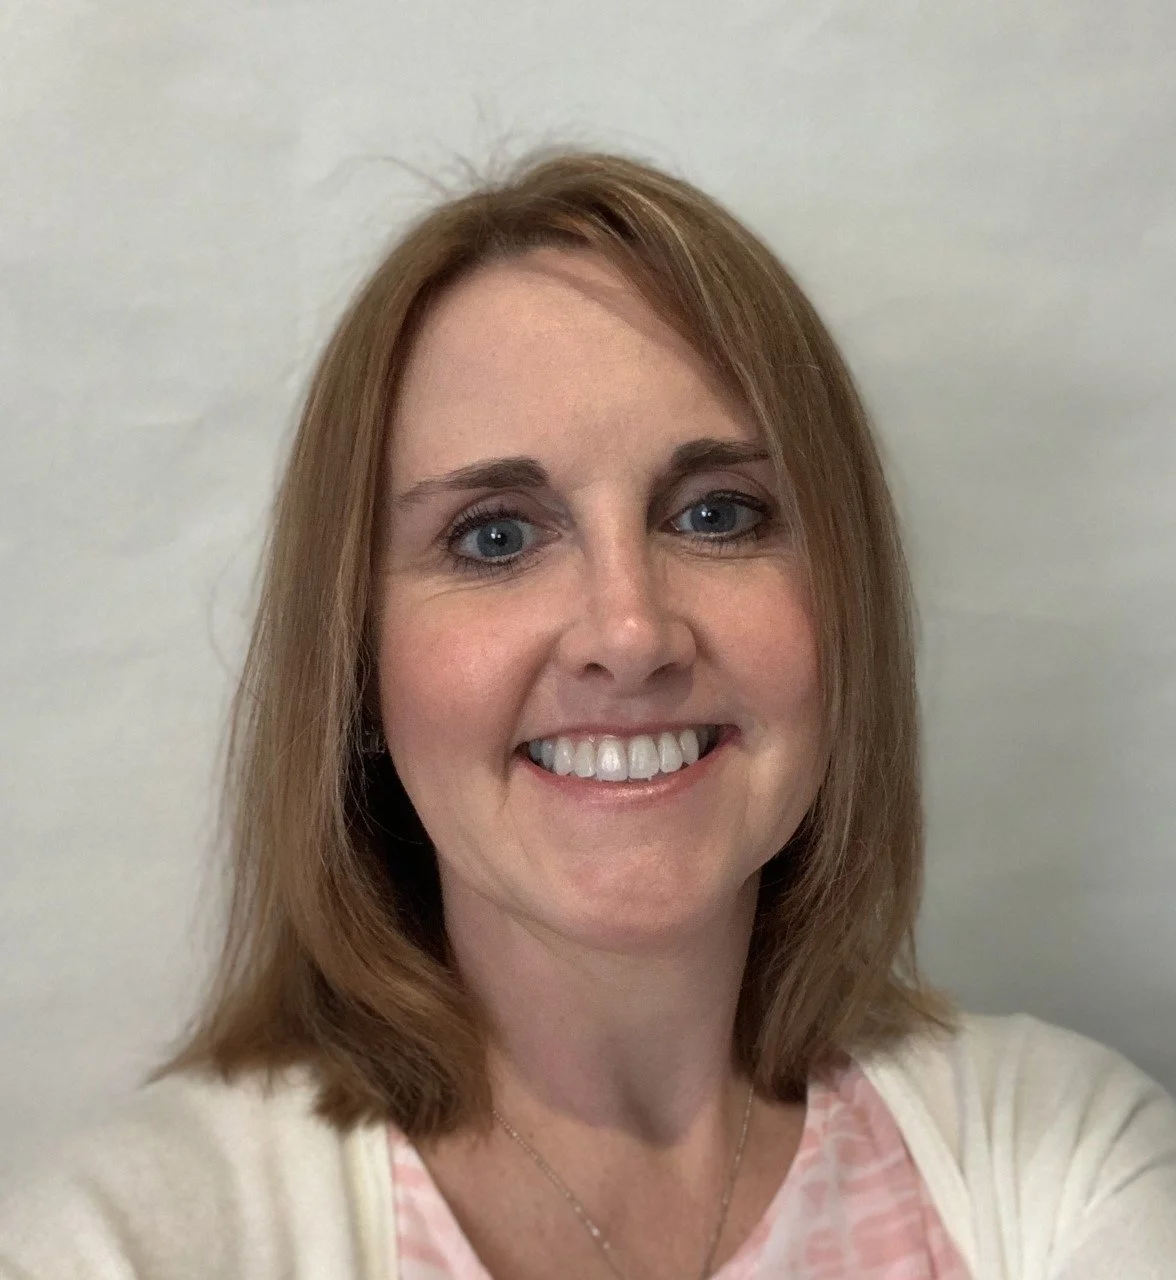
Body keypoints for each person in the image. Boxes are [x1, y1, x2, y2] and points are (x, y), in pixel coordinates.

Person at [1, 150, 1173, 1280]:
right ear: (354, 668)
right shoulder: (123, 1244)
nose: (630, 632)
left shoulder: (1065, 1163)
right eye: (495, 535)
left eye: (716, 514)